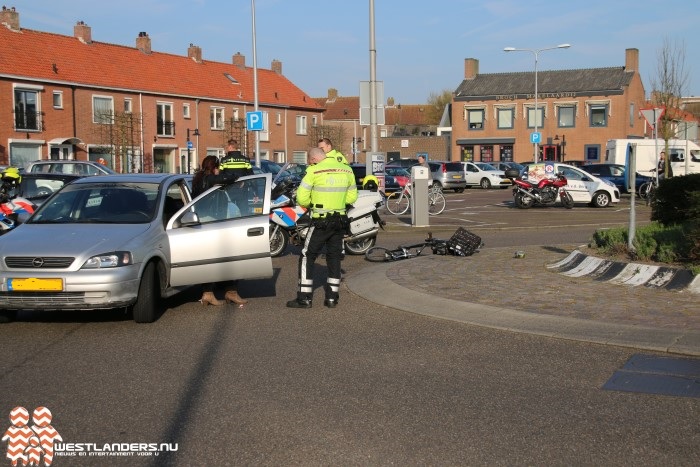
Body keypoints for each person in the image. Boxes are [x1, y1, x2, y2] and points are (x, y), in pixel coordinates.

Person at [286, 147, 358, 309]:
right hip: (339, 221)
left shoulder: (313, 171)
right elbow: (352, 196)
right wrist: (337, 203)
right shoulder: (346, 169)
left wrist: (317, 202)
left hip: (320, 221)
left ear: (313, 160)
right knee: (334, 256)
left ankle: (304, 298)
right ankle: (332, 298)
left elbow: (302, 199)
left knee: (307, 255)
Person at [191, 155, 248, 306]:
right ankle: (231, 292)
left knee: (210, 258)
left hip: (203, 220)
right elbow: (229, 178)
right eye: (218, 167)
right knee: (228, 256)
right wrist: (233, 176)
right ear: (214, 167)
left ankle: (208, 293)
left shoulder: (198, 179)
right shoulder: (210, 179)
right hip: (214, 220)